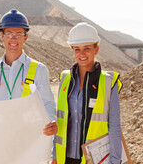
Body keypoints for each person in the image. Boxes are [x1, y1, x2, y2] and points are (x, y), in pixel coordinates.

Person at [0, 9, 57, 136]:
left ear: (25, 37)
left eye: (19, 34)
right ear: (2, 35)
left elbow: (47, 104)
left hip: (27, 140)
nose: (13, 39)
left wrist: (51, 121)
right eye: (9, 33)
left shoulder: (38, 70)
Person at [52, 22, 123, 164]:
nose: (82, 54)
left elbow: (114, 126)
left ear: (96, 49)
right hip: (65, 158)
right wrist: (54, 156)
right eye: (77, 49)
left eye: (87, 48)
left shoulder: (109, 82)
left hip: (95, 159)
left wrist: (116, 161)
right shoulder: (65, 78)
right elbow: (59, 119)